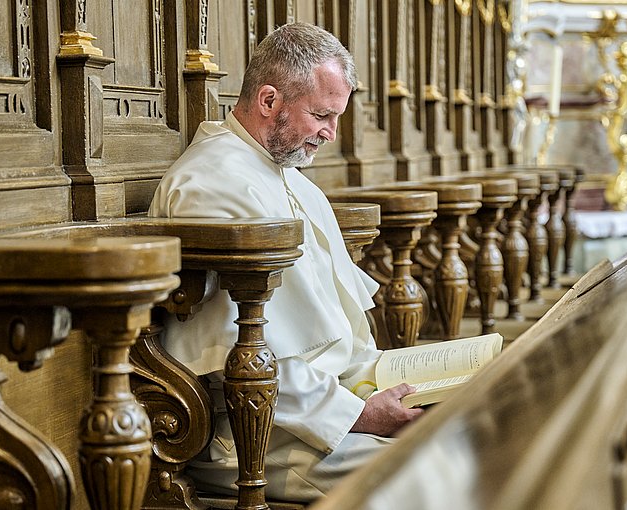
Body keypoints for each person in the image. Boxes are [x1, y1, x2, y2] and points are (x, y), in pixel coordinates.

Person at [149, 22, 423, 502]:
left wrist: (400, 382)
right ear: (269, 100)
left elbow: (337, 334)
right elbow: (247, 355)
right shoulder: (213, 183)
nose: (330, 133)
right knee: (433, 465)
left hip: (318, 408)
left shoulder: (285, 173)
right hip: (254, 435)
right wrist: (361, 415)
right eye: (321, 114)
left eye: (336, 117)